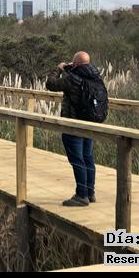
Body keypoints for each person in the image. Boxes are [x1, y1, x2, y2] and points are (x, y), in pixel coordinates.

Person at [45, 51, 106, 207]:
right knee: (88, 158)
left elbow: (51, 84)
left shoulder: (72, 79)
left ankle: (81, 195)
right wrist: (70, 69)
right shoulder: (96, 76)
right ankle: (90, 193)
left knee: (77, 160)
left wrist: (59, 69)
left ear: (76, 64)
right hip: (90, 124)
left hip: (73, 125)